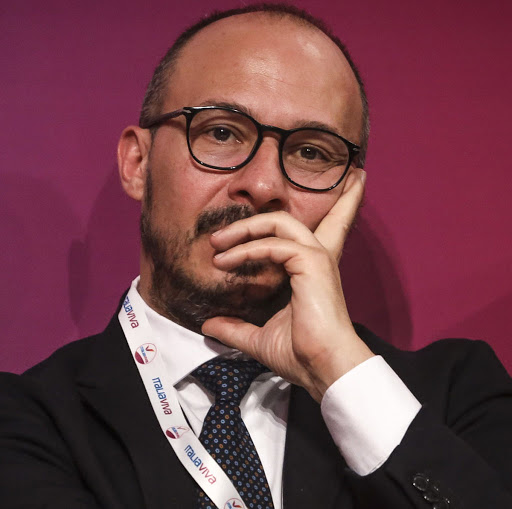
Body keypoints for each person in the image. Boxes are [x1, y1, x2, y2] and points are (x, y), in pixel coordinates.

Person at [0, 3, 511, 509]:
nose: (264, 185)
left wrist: (338, 371)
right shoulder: (26, 420)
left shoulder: (455, 397)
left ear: (348, 195)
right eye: (221, 132)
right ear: (138, 162)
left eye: (311, 152)